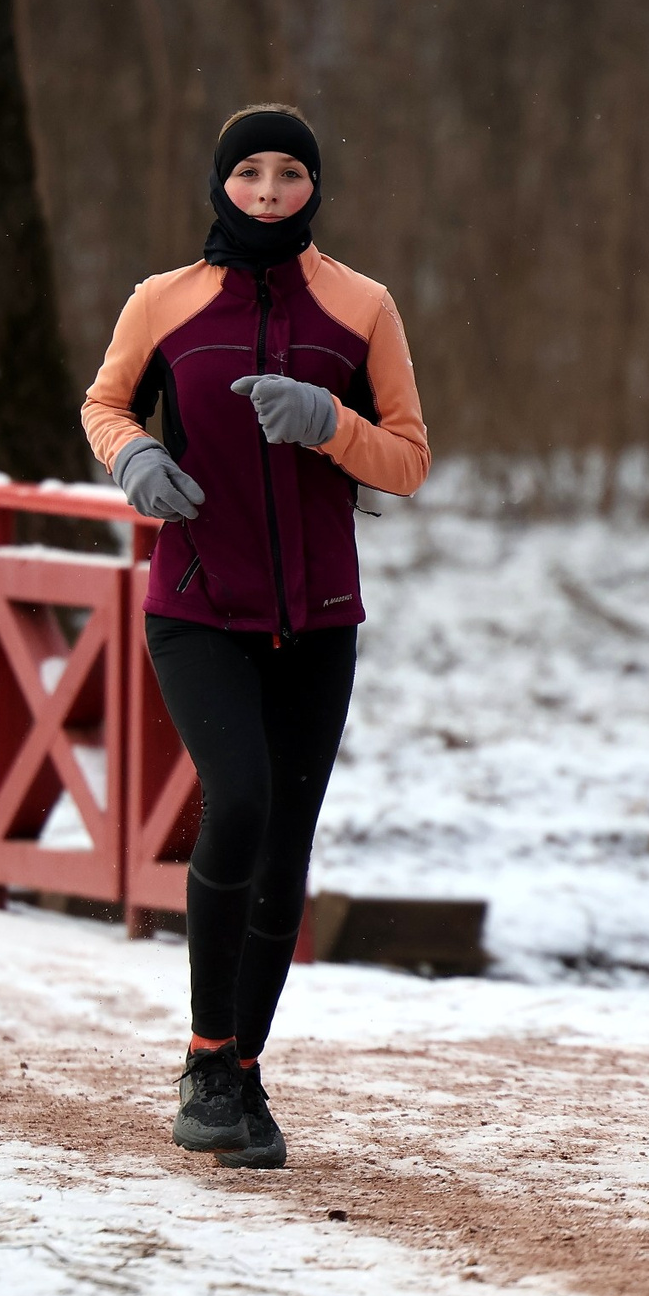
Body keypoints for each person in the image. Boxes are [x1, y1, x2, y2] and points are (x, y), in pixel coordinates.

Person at [80, 105, 430, 1169]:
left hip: (319, 619)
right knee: (237, 799)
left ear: (315, 187)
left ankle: (239, 1074)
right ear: (220, 186)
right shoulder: (165, 303)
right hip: (195, 606)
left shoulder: (360, 309)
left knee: (286, 850)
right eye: (249, 175)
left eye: (289, 175)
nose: (270, 193)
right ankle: (202, 1055)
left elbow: (409, 458)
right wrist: (134, 460)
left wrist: (331, 423)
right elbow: (104, 404)